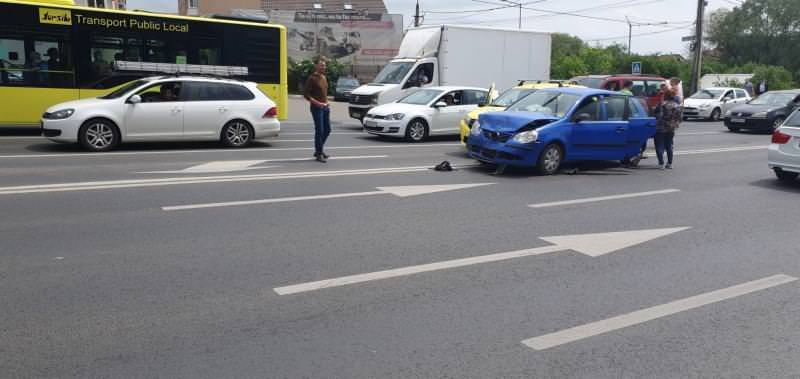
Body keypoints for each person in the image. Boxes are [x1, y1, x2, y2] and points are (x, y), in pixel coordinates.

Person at [304, 57, 331, 163]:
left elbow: (324, 93)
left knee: (327, 130)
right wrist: (318, 103)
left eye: (324, 65)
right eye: (321, 65)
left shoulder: (324, 77)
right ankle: (319, 153)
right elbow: (306, 94)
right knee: (319, 130)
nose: (323, 67)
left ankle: (318, 149)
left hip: (325, 107)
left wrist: (327, 102)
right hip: (316, 108)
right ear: (316, 66)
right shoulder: (312, 78)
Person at [655, 89, 681, 170]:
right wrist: (674, 123)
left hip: (660, 127)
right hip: (671, 127)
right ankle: (669, 163)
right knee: (669, 145)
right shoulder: (677, 106)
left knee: (659, 145)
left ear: (665, 95)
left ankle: (661, 163)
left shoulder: (662, 104)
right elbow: (679, 118)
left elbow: (656, 114)